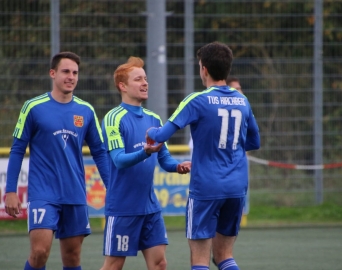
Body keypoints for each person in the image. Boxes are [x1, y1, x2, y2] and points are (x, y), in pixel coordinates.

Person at [147, 42, 260, 270]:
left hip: (207, 186)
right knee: (225, 256)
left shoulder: (197, 100)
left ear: (204, 69)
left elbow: (161, 135)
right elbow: (254, 142)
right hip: (237, 186)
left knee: (200, 258)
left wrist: (150, 131)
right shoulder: (242, 100)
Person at [5, 51, 110, 270]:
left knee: (72, 257)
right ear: (53, 73)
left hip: (74, 193)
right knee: (39, 252)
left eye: (75, 72)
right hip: (43, 192)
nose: (71, 76)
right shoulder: (33, 107)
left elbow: (99, 152)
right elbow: (17, 150)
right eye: (65, 71)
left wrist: (112, 186)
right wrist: (11, 190)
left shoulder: (86, 110)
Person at [99, 56, 191, 270]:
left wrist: (178, 166)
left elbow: (164, 158)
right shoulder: (113, 118)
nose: (145, 83)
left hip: (150, 207)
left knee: (159, 263)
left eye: (145, 78)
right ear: (122, 86)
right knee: (114, 265)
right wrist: (145, 152)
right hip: (122, 208)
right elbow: (119, 161)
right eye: (138, 79)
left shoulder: (154, 119)